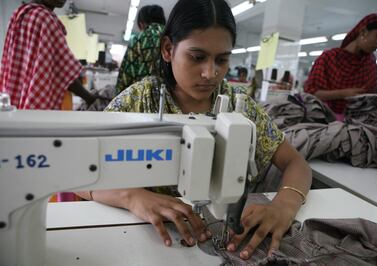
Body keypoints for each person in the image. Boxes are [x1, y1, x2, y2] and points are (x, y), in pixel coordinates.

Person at [77, 0, 312, 260]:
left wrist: (284, 205)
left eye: (221, 60)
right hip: (144, 240)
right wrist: (132, 197)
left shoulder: (239, 104)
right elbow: (76, 170)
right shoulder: (138, 102)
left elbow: (296, 164)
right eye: (197, 57)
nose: (210, 73)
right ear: (168, 49)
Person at [0, 0, 95, 110]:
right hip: (36, 105)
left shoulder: (20, 14)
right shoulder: (44, 18)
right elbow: (65, 70)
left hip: (14, 97)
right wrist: (89, 98)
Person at [304, 13, 377, 116]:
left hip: (357, 123)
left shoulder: (370, 63)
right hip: (323, 120)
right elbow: (310, 93)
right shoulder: (329, 58)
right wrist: (343, 94)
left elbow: (370, 98)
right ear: (363, 32)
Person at [115, 5, 166, 95]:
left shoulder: (138, 39)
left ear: (142, 24)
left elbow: (127, 75)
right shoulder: (175, 37)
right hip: (171, 99)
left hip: (142, 98)